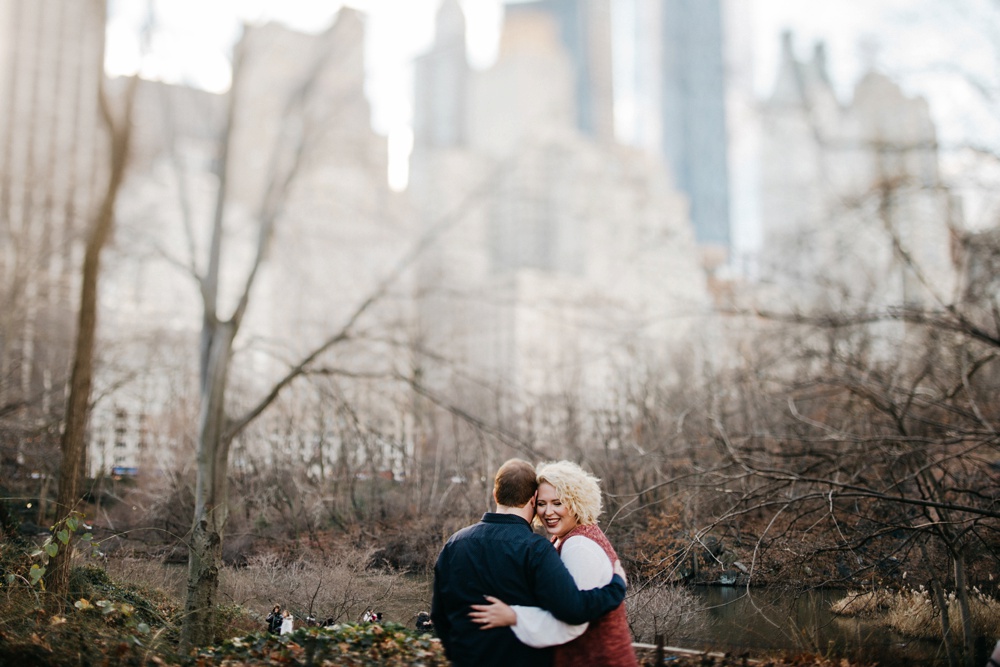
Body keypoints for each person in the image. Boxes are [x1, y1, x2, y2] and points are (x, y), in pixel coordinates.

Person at [431, 458, 627, 667]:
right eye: (543, 503)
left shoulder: (454, 543)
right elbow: (573, 610)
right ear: (534, 499)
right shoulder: (536, 549)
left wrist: (459, 655)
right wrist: (616, 587)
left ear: (495, 494)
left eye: (557, 502)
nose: (547, 510)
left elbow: (439, 615)